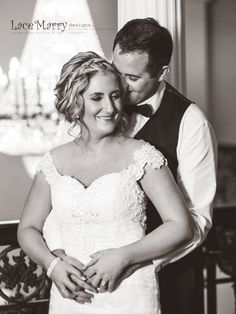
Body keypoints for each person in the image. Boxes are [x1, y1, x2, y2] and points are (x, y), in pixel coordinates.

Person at [48, 18, 217, 314]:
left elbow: (197, 221)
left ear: (162, 73)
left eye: (132, 78)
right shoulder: (87, 111)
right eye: (116, 70)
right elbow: (59, 190)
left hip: (166, 282)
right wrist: (57, 257)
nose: (119, 88)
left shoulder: (191, 123)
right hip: (82, 287)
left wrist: (133, 263)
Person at [17, 51, 194, 314]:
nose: (110, 108)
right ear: (74, 102)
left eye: (115, 96)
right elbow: (28, 227)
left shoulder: (142, 155)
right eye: (97, 98)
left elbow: (181, 226)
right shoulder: (53, 161)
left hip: (130, 294)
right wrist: (52, 265)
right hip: (70, 299)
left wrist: (124, 256)